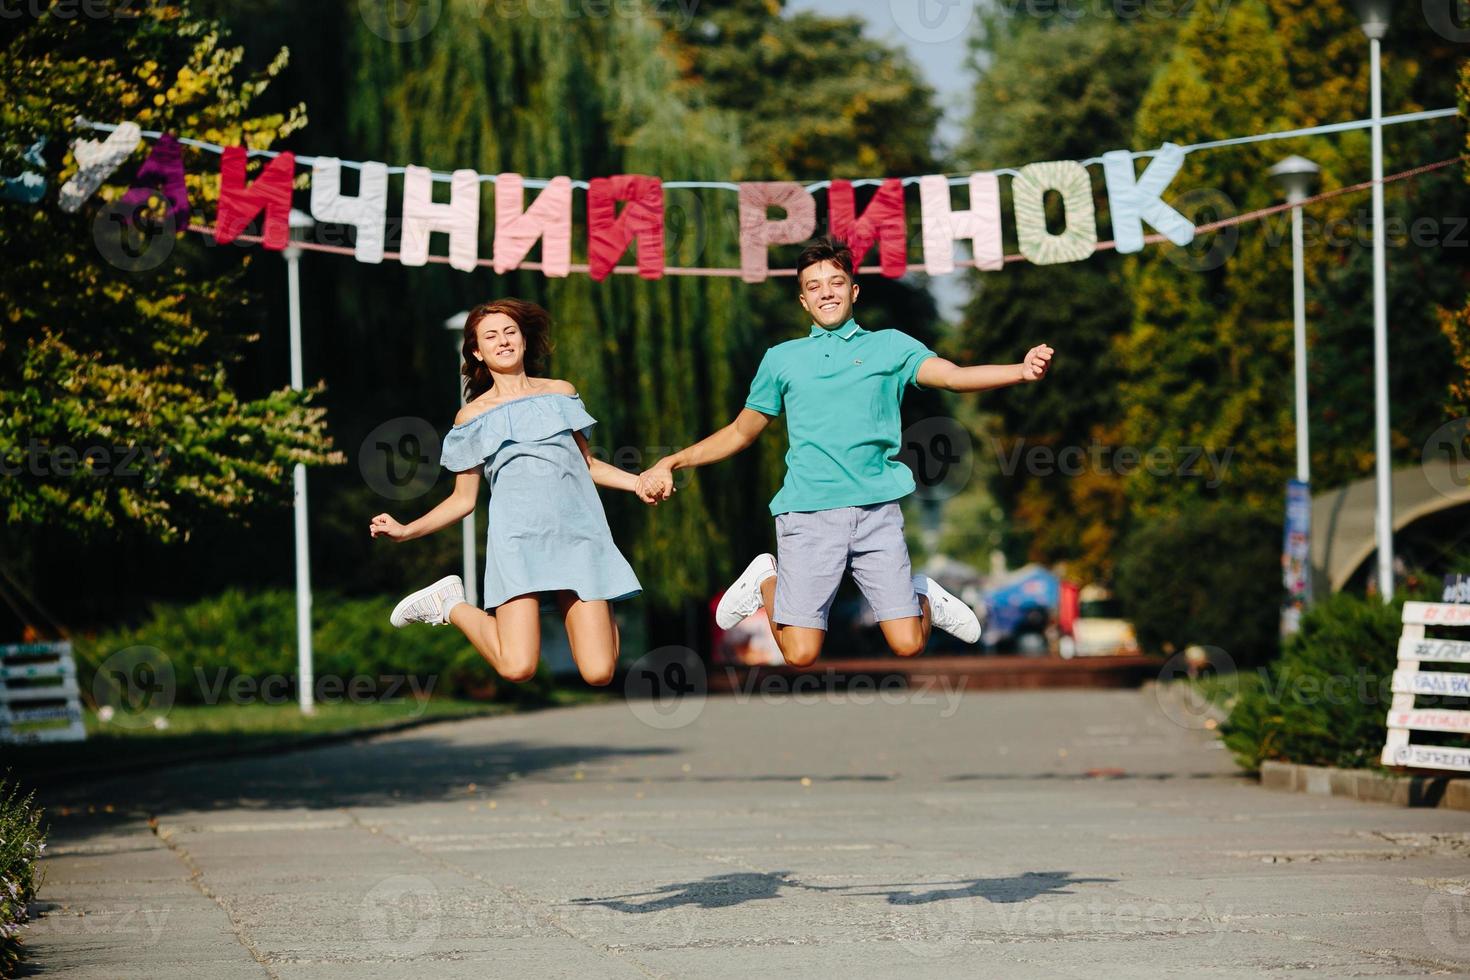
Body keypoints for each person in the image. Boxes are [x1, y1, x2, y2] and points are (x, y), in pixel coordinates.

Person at [636, 237, 1054, 668]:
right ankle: (766, 579)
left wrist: (1019, 372)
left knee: (908, 644)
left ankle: (923, 594)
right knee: (800, 654)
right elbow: (742, 432)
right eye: (814, 287)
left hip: (877, 514)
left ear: (854, 290)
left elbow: (952, 376)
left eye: (836, 282)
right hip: (808, 514)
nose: (827, 292)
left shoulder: (890, 347)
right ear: (803, 300)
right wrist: (673, 460)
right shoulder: (782, 360)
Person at [370, 298, 653, 687]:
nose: (502, 341)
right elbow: (462, 500)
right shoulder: (472, 417)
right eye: (491, 336)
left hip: (580, 539)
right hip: (518, 545)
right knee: (517, 667)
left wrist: (636, 482)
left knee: (600, 671)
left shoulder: (560, 393)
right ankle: (450, 604)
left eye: (509, 332)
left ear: (523, 340)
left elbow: (587, 466)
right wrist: (406, 530)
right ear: (477, 351)